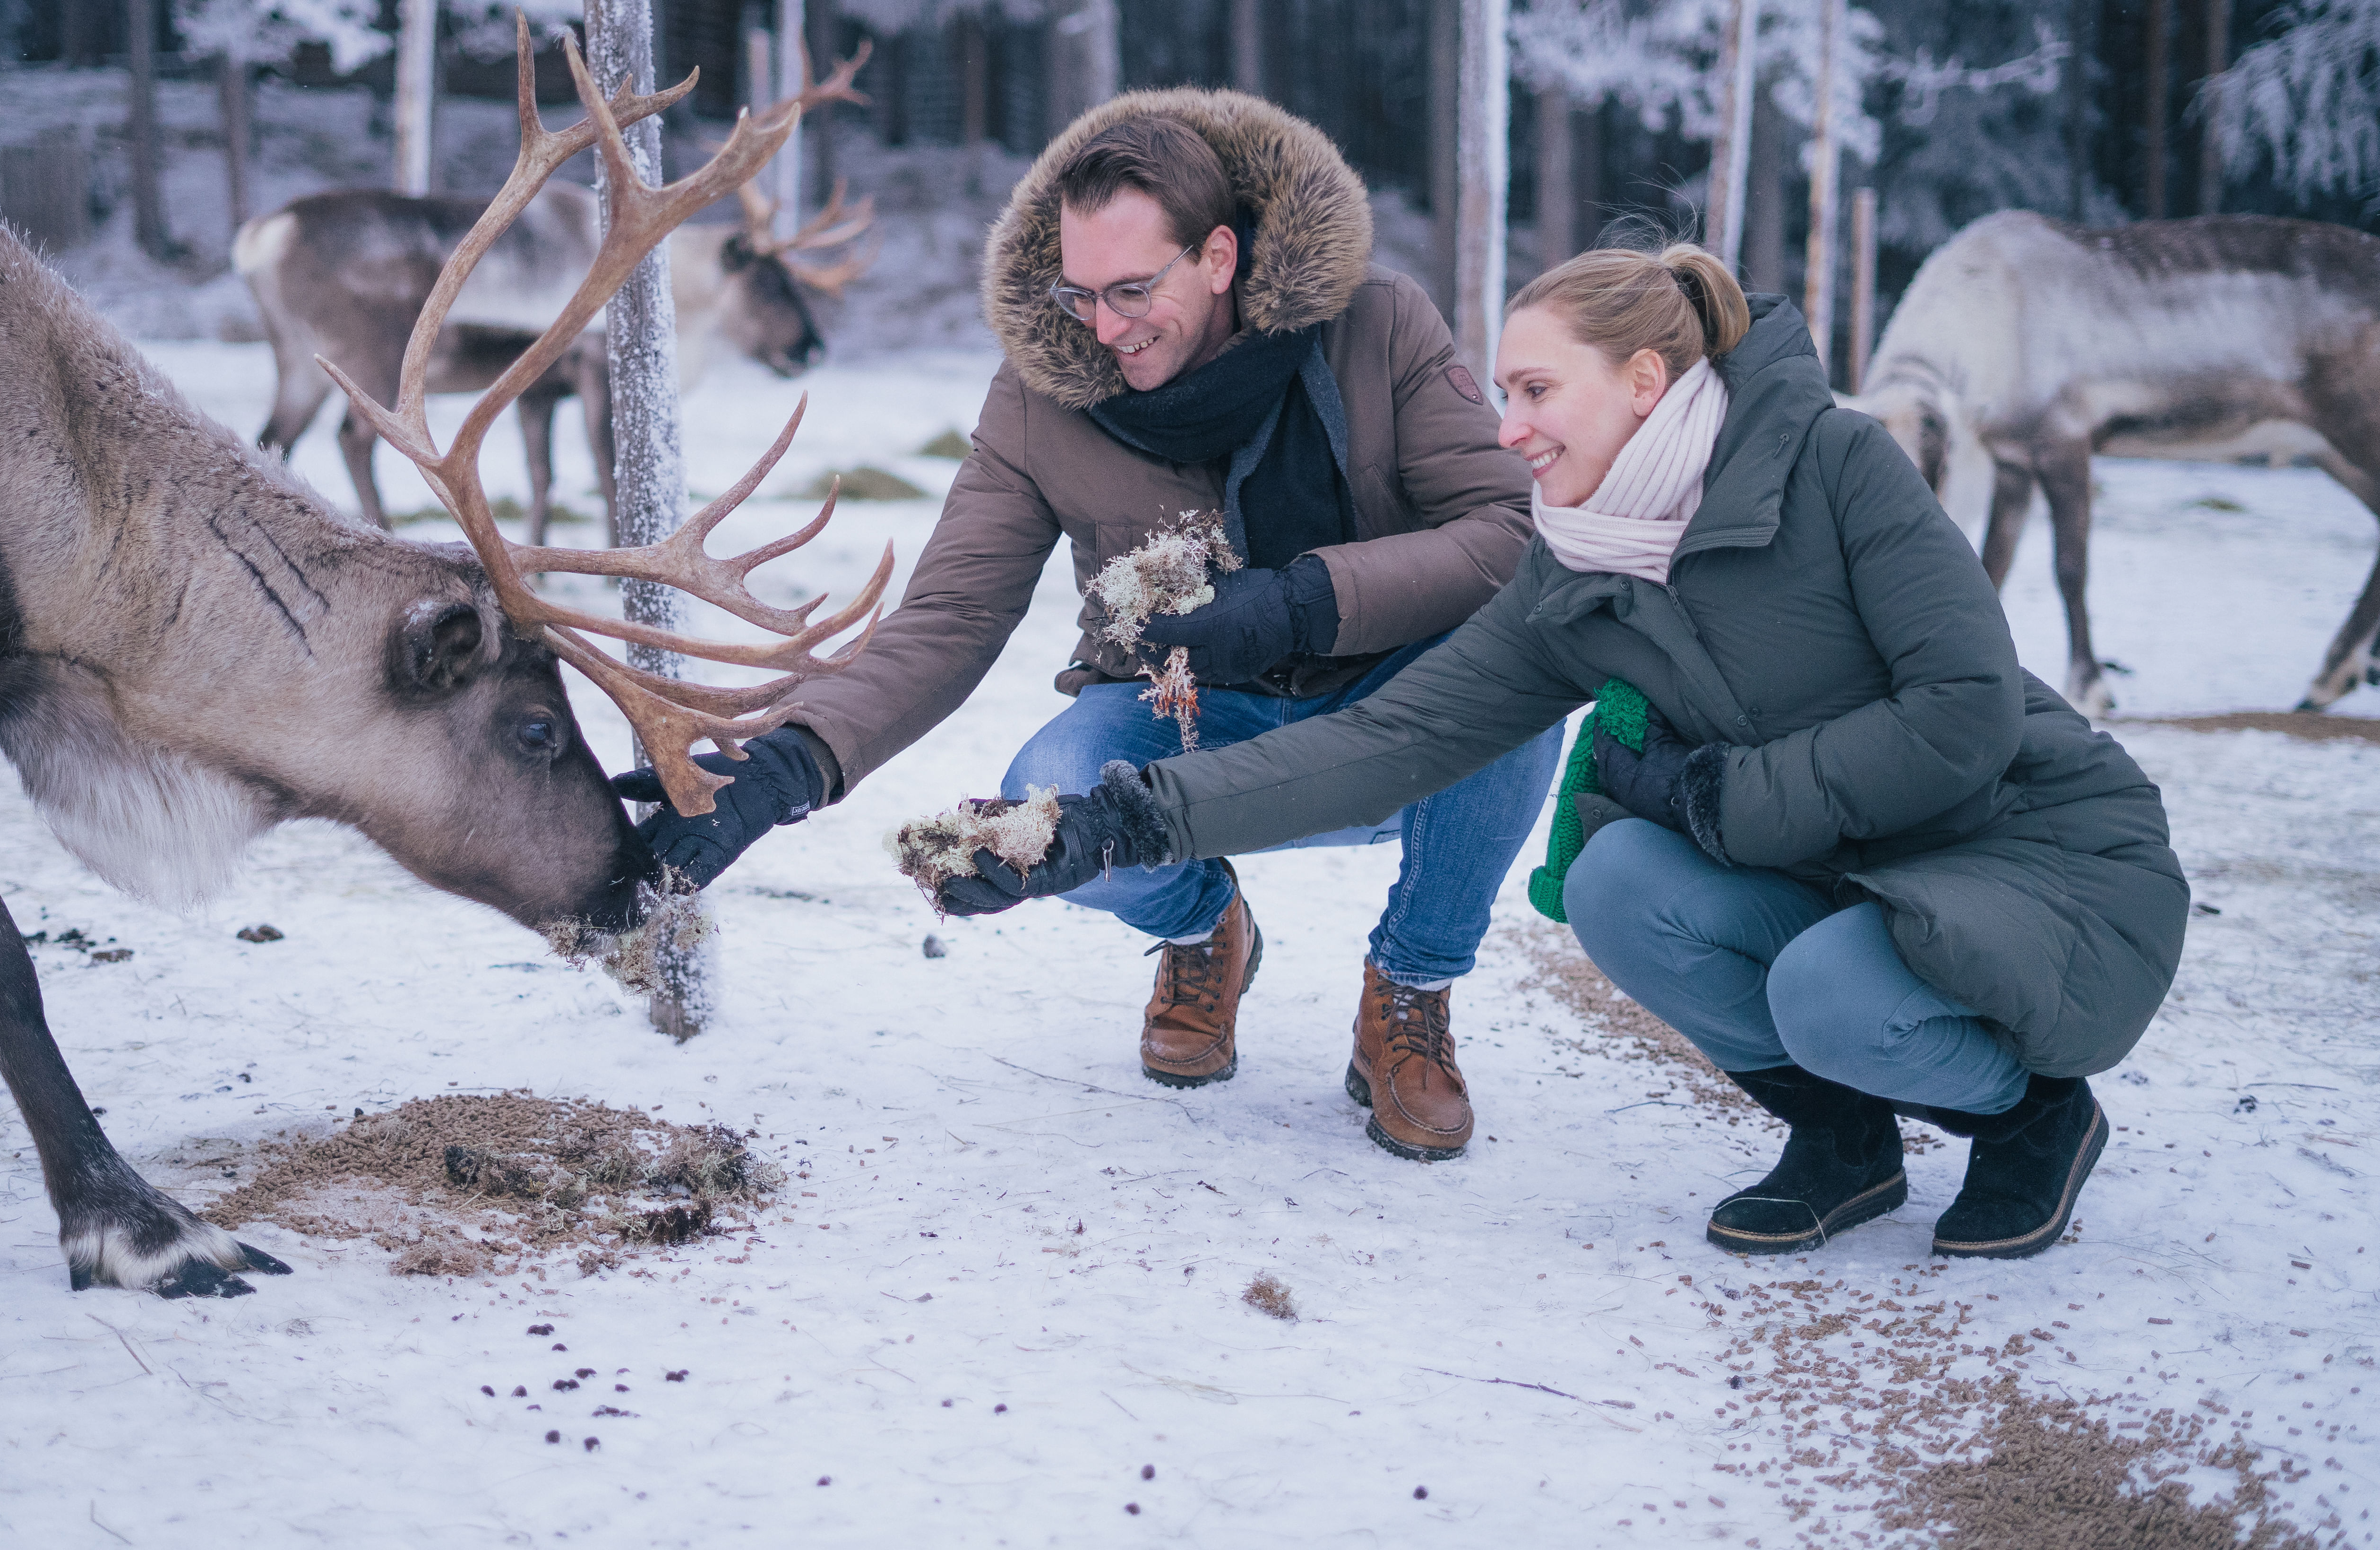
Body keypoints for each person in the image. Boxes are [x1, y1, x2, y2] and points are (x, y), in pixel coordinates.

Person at [931, 241, 2188, 1261]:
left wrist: (1722, 797)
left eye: (1536, 392)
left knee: (1825, 995)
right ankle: (1843, 1141)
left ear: (1643, 384)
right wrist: (1117, 820)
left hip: (2014, 846)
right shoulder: (1575, 565)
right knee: (1616, 888)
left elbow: (1962, 709)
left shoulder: (1837, 463)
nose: (1511, 431)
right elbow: (1392, 741)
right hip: (1837, 859)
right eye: (1503, 396)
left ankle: (2032, 1119)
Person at [616, 92, 1563, 1161]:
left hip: (1393, 718)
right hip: (1186, 726)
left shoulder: (1377, 324)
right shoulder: (1039, 397)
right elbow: (953, 615)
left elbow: (1510, 534)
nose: (1106, 330)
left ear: (1217, 256)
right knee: (1043, 804)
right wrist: (795, 761)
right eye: (1081, 295)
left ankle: (1413, 984)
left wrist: (1308, 598)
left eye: (1132, 291)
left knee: (1521, 676)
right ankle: (1206, 930)